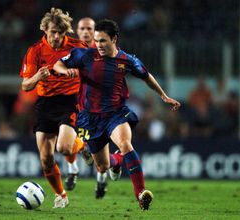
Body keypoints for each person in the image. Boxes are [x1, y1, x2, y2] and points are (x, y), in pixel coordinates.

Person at [54, 19, 181, 210]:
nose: (99, 45)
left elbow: (147, 76)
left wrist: (163, 96)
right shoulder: (84, 55)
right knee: (103, 167)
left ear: (114, 39)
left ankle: (140, 194)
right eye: (96, 41)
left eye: (103, 41)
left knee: (125, 143)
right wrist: (66, 71)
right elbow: (57, 65)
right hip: (90, 118)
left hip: (116, 114)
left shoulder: (127, 60)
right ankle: (117, 160)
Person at [19, 8, 88, 208]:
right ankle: (61, 195)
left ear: (65, 32)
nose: (56, 36)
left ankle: (81, 145)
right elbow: (25, 85)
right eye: (52, 32)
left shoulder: (77, 46)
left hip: (70, 101)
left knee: (64, 147)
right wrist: (38, 77)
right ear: (45, 31)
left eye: (60, 32)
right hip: (45, 104)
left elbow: (93, 69)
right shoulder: (35, 51)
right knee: (46, 158)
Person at [76, 17, 108, 199]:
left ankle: (102, 181)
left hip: (99, 111)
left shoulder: (103, 52)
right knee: (69, 141)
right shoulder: (72, 52)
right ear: (77, 31)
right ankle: (83, 149)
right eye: (82, 28)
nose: (86, 32)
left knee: (100, 162)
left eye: (90, 28)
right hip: (77, 108)